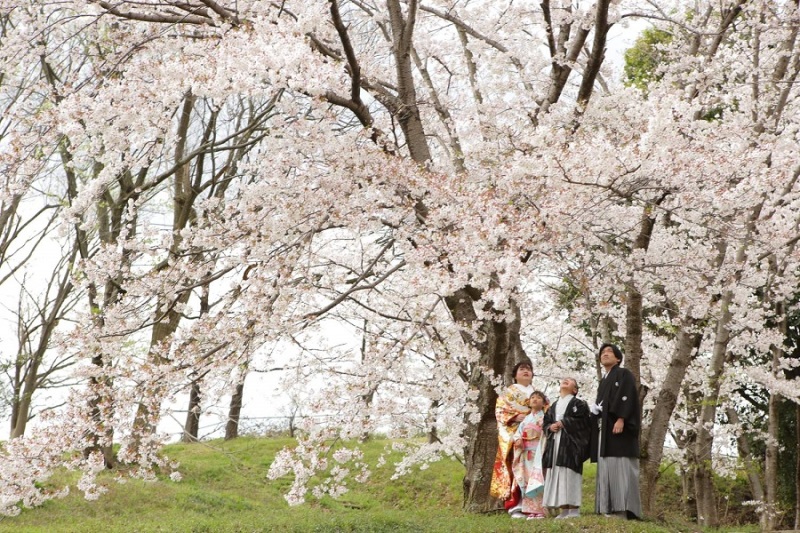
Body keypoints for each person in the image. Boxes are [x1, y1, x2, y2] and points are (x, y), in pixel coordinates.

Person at [590, 343, 642, 519]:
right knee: (607, 466)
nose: (605, 354)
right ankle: (607, 507)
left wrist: (621, 418)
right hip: (605, 429)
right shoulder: (604, 380)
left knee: (621, 466)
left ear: (618, 358)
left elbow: (627, 396)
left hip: (620, 428)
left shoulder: (623, 374)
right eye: (602, 353)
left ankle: (622, 509)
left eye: (609, 352)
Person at [542, 377, 591, 518]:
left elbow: (584, 422)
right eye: (564, 380)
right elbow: (546, 423)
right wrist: (550, 427)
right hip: (555, 444)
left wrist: (564, 422)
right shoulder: (553, 406)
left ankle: (574, 509)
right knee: (557, 475)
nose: (565, 381)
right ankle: (564, 510)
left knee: (569, 474)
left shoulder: (579, 404)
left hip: (570, 445)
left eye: (570, 381)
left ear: (574, 390)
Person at [490, 361, 534, 515]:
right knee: (517, 468)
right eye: (522, 369)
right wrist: (517, 416)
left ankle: (534, 505)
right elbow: (501, 411)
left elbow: (546, 411)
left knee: (534, 470)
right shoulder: (508, 393)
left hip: (534, 436)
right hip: (516, 434)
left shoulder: (537, 393)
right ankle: (516, 505)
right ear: (515, 375)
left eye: (529, 369)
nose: (526, 371)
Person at [511, 391, 549, 520]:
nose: (535, 400)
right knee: (527, 480)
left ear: (544, 403)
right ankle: (529, 510)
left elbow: (546, 435)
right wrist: (518, 439)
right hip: (526, 452)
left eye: (538, 398)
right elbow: (517, 433)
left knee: (537, 479)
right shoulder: (526, 419)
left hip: (538, 452)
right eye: (532, 397)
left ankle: (541, 510)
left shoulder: (545, 417)